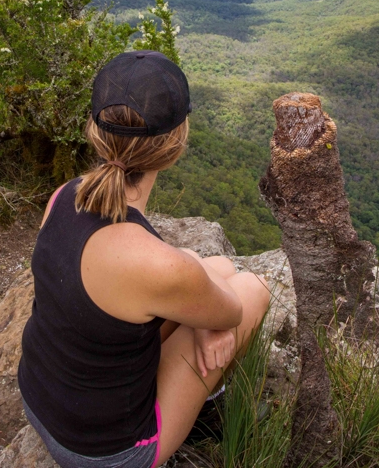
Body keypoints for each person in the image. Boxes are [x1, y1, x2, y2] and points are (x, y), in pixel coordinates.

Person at [17, 50, 270, 468]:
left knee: (216, 269)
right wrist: (211, 325)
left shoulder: (63, 195)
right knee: (254, 289)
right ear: (175, 143)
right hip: (105, 453)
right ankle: (208, 397)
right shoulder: (158, 267)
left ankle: (199, 368)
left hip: (38, 399)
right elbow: (232, 311)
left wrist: (202, 308)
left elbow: (173, 277)